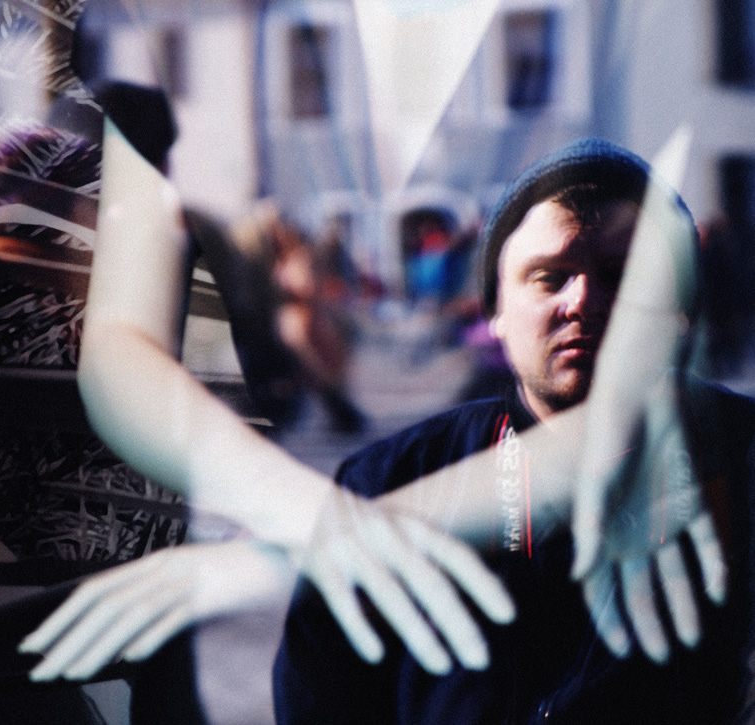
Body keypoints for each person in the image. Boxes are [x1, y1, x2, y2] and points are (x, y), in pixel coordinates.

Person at [271, 137, 754, 723]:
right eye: (549, 278)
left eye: (620, 276)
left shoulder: (742, 465)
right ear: (495, 311)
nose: (582, 302)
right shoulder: (390, 491)